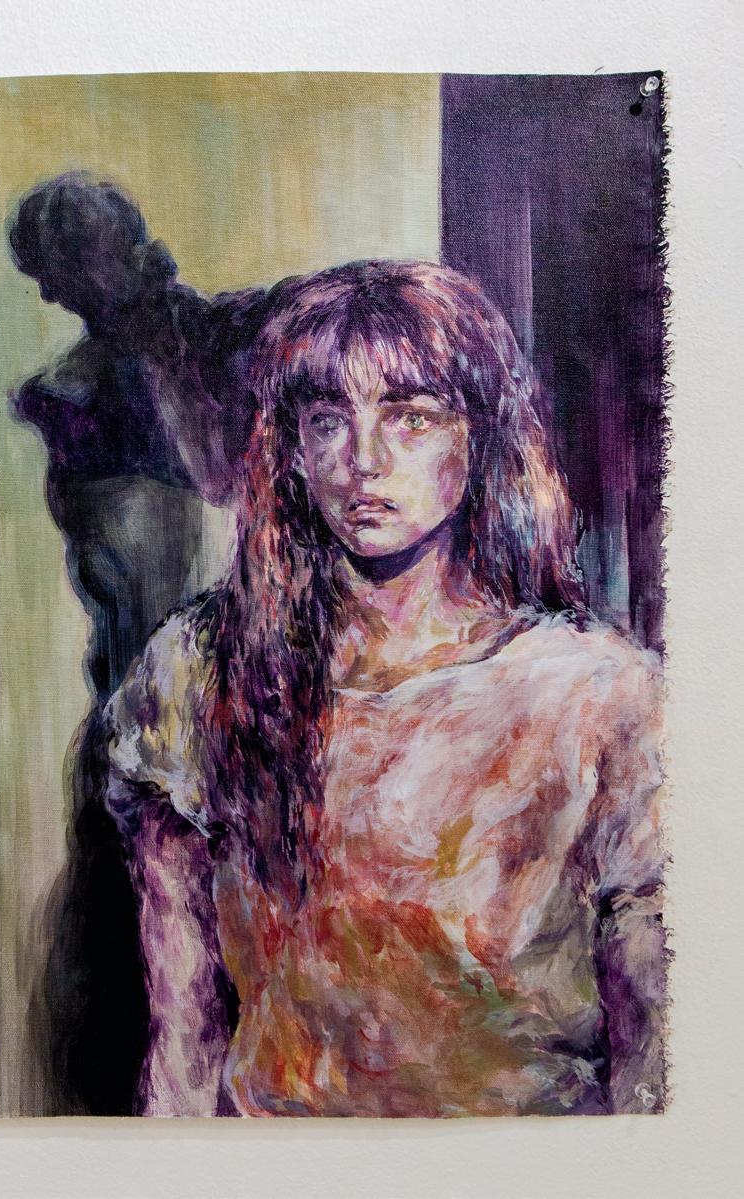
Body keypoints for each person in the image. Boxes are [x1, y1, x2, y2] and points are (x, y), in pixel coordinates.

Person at [102, 260, 667, 1118]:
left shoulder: (601, 697)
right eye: (329, 420)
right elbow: (183, 1040)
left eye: (410, 416)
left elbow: (658, 1053)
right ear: (292, 451)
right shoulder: (199, 670)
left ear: (480, 436)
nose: (363, 461)